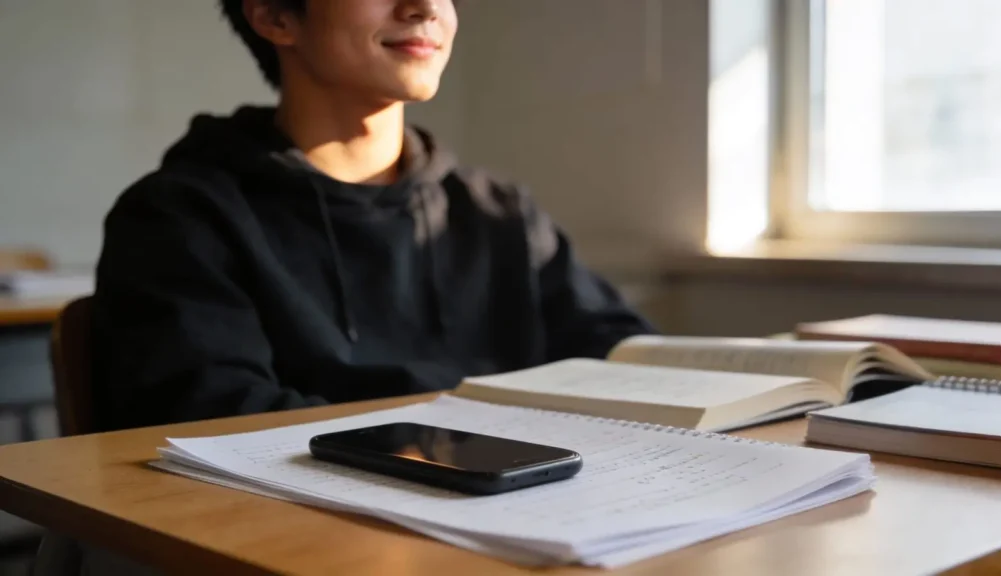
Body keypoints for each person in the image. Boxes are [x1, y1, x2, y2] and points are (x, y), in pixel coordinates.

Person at [92, 0, 656, 432]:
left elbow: (614, 346)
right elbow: (217, 422)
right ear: (273, 15)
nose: (425, 7)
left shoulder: (499, 213)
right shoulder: (180, 219)